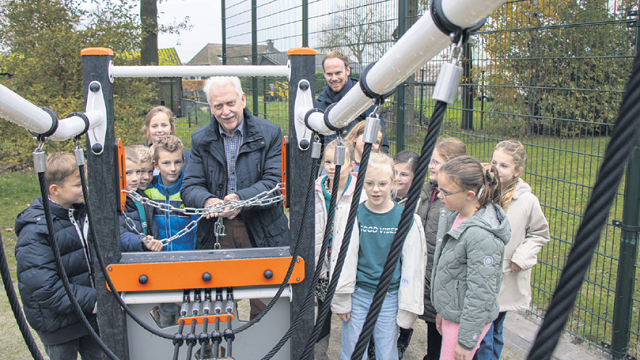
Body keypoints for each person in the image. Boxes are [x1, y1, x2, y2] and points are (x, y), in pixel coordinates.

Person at [181, 76, 290, 319]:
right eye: (218, 106)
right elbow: (190, 186)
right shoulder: (202, 139)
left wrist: (239, 200)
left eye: (230, 103)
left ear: (242, 100)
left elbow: (275, 183)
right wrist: (208, 201)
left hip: (261, 227)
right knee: (216, 300)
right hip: (218, 229)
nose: (226, 111)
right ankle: (221, 354)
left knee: (266, 301)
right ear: (210, 107)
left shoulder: (269, 133)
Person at [333, 152, 426, 360]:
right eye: (370, 183)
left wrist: (408, 305)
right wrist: (342, 299)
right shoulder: (354, 215)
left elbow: (412, 264)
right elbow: (343, 259)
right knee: (353, 348)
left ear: (393, 183)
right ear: (361, 183)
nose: (376, 189)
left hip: (389, 295)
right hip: (359, 293)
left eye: (383, 184)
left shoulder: (405, 219)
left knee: (386, 349)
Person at [14, 152, 101, 360]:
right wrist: (97, 300)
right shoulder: (35, 231)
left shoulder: (80, 215)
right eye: (79, 185)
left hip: (87, 316)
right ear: (55, 190)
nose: (85, 189)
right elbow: (46, 288)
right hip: (58, 324)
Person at [475, 141, 550, 360]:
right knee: (483, 330)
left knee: (495, 328)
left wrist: (521, 258)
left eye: (505, 166)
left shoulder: (527, 201)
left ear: (517, 171)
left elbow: (540, 233)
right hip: (481, 271)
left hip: (505, 274)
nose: (497, 169)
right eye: (494, 162)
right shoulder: (483, 191)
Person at [431, 156, 511, 360]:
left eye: (445, 192)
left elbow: (481, 293)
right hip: (454, 315)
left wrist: (467, 341)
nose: (439, 195)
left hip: (465, 323)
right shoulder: (454, 215)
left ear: (470, 195)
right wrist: (444, 309)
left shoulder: (480, 235)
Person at [416, 138, 468, 360]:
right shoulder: (427, 190)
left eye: (436, 162)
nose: (430, 166)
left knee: (443, 330)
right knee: (431, 323)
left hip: (444, 277)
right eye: (431, 161)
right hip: (426, 271)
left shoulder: (452, 201)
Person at [314, 140, 359, 360]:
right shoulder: (316, 189)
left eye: (338, 162)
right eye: (328, 161)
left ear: (352, 165)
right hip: (323, 265)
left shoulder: (359, 193)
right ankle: (318, 352)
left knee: (351, 311)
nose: (332, 166)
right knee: (323, 312)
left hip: (348, 264)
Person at [315, 51, 389, 153]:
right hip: (330, 165)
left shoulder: (364, 98)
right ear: (324, 74)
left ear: (347, 70)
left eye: (338, 73)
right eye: (329, 74)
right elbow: (318, 143)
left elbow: (381, 140)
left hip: (358, 163)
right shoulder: (320, 104)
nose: (334, 78)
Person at [145, 135, 197, 252]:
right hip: (158, 257)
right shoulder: (148, 192)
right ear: (156, 165)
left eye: (177, 162)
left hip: (186, 256)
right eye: (166, 163)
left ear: (184, 162)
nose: (173, 168)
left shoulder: (189, 191)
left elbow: (197, 231)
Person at [119, 146, 163, 252]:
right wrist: (141, 242)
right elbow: (118, 233)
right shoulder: (113, 202)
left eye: (138, 172)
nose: (135, 178)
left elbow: (152, 229)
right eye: (128, 173)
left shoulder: (143, 199)